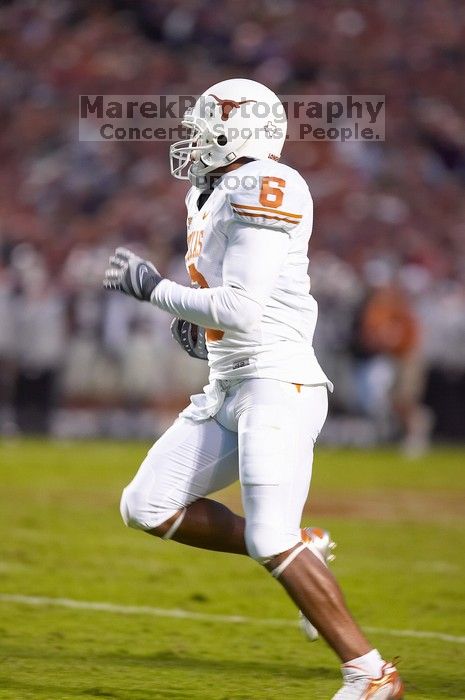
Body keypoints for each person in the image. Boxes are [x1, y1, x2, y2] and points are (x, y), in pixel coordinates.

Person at [104, 78, 403, 699]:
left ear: (241, 132)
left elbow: (241, 308)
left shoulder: (268, 182)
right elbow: (225, 305)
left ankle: (371, 674)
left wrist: (152, 289)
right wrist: (195, 323)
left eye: (205, 126)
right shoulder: (209, 191)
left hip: (277, 382)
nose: (192, 138)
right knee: (146, 505)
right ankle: (306, 550)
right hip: (228, 384)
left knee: (271, 536)